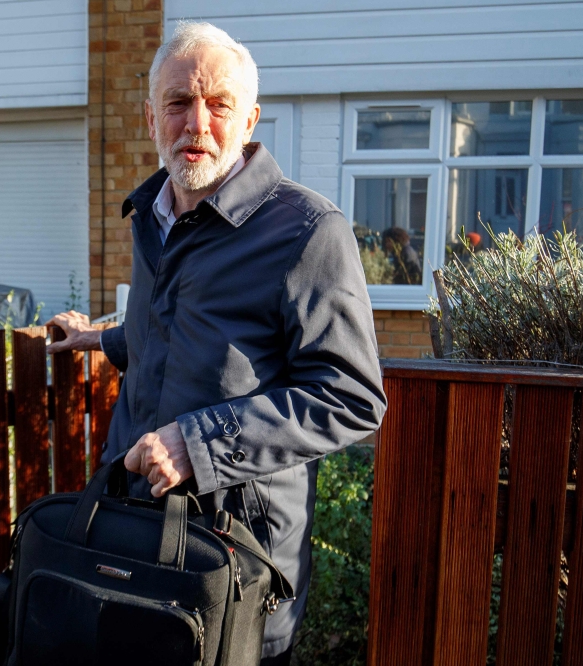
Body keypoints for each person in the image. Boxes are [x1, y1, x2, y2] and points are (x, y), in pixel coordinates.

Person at [47, 22, 386, 665]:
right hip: (135, 533)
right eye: (178, 103)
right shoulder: (152, 215)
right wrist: (96, 337)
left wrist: (195, 443)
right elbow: (176, 336)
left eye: (218, 104)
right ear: (151, 117)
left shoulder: (307, 231)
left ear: (250, 118)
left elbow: (351, 396)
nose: (196, 123)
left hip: (234, 560)